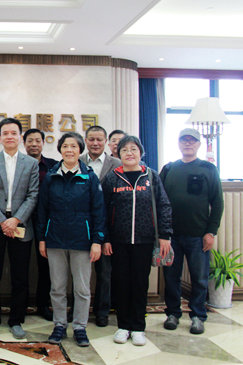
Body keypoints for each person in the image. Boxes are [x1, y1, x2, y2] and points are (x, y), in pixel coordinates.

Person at [102, 135, 172, 346]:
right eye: (124, 150)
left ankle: (139, 327)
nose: (129, 153)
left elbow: (164, 206)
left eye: (133, 149)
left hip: (144, 240)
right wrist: (105, 238)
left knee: (140, 284)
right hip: (118, 241)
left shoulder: (151, 176)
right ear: (118, 154)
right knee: (121, 283)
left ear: (141, 153)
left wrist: (165, 235)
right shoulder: (112, 178)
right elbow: (102, 211)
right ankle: (123, 326)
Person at [37, 132, 104, 347]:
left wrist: (97, 241)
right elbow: (42, 210)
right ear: (60, 149)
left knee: (82, 288)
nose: (69, 150)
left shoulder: (89, 177)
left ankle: (79, 327)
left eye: (74, 146)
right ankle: (59, 325)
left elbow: (98, 211)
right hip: (55, 239)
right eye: (65, 146)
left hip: (82, 240)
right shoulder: (51, 177)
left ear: (80, 150)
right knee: (57, 287)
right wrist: (42, 239)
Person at [0, 119, 39, 340]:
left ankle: (16, 320)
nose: (10, 136)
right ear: (0, 137)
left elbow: (33, 195)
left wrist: (16, 219)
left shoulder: (31, 163)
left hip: (20, 225)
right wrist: (2, 221)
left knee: (20, 277)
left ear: (20, 137)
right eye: (6, 133)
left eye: (14, 133)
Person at [161, 128, 223, 335]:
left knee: (199, 278)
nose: (188, 143)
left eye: (192, 140)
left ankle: (197, 316)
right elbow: (158, 201)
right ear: (178, 143)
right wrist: (162, 233)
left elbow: (218, 203)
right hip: (171, 236)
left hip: (199, 236)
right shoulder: (169, 169)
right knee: (171, 277)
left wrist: (211, 232)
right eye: (184, 140)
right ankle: (172, 313)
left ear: (199, 144)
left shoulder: (208, 169)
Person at [79, 125, 121, 327]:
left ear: (106, 142)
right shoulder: (77, 161)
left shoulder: (118, 164)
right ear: (85, 141)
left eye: (99, 140)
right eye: (91, 139)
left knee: (105, 272)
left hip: (107, 226)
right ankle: (79, 310)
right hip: (81, 225)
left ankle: (102, 311)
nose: (95, 143)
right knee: (79, 272)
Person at [24, 128, 58, 322]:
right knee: (21, 263)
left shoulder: (53, 166)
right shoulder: (18, 164)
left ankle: (43, 304)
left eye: (37, 140)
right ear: (24, 143)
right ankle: (21, 303)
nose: (34, 144)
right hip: (22, 220)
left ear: (43, 143)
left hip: (45, 221)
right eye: (30, 141)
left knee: (45, 264)